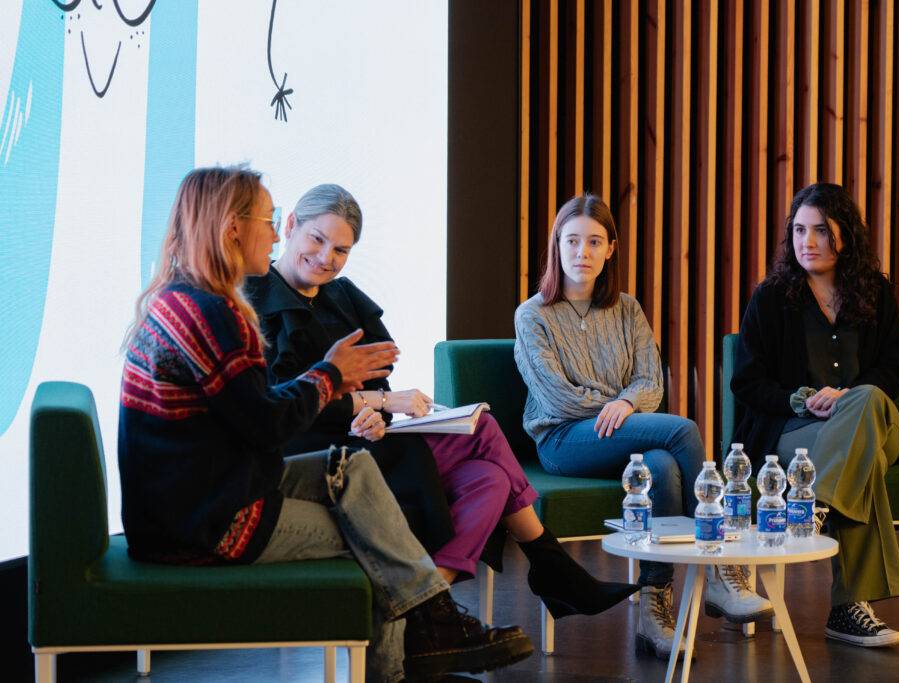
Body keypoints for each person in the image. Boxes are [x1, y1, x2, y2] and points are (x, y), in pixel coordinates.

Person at [118, 166, 532, 683]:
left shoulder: (187, 298)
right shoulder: (212, 315)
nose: (274, 234)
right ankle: (411, 654)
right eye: (270, 221)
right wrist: (332, 374)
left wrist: (335, 380)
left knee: (357, 470)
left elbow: (257, 418)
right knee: (375, 529)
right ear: (231, 229)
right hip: (207, 523)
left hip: (212, 490)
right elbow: (268, 425)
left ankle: (428, 634)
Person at [247, 183, 637, 620]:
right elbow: (282, 402)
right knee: (484, 429)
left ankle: (428, 603)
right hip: (310, 449)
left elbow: (375, 383)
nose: (326, 258)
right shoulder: (255, 300)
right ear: (291, 225)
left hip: (366, 436)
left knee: (490, 479)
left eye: (341, 250)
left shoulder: (341, 296)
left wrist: (373, 411)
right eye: (317, 240)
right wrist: (375, 402)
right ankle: (548, 565)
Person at [513, 194, 773, 660]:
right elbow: (557, 396)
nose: (582, 253)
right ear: (556, 245)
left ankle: (654, 610)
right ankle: (722, 566)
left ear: (611, 248)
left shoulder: (627, 309)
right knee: (683, 431)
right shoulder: (532, 315)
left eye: (594, 242)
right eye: (572, 241)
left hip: (621, 433)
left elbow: (651, 380)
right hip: (562, 439)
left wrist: (627, 403)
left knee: (661, 466)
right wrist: (615, 407)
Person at [731, 182, 899, 647]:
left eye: (820, 231)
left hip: (870, 421)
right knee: (860, 463)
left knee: (868, 400)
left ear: (845, 236)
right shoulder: (772, 299)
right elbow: (747, 382)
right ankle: (848, 609)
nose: (806, 242)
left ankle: (812, 504)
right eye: (798, 230)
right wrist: (801, 399)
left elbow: (896, 362)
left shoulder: (875, 292)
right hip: (797, 430)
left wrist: (847, 396)